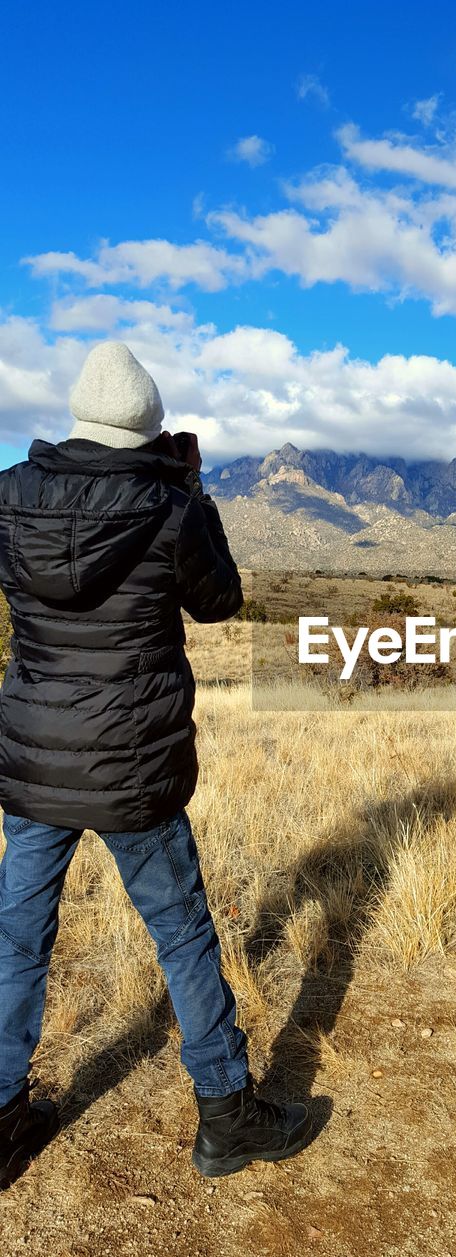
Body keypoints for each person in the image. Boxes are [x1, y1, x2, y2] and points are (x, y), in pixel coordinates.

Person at [0, 341, 311, 1189]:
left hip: (32, 766)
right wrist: (193, 489)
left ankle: (0, 1123)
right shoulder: (167, 505)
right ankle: (226, 1117)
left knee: (18, 941)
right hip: (133, 770)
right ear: (150, 428)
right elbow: (220, 602)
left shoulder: (10, 498)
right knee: (181, 937)